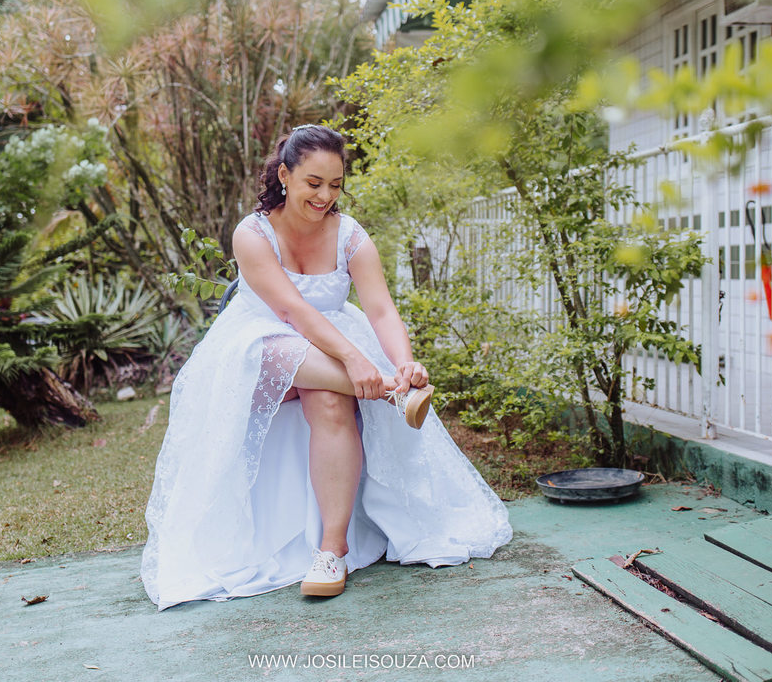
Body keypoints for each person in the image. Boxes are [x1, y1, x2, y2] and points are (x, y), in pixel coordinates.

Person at [141, 124, 512, 609]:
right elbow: (293, 312)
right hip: (260, 356)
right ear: (284, 175)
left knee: (331, 401)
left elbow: (380, 309)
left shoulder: (352, 236)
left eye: (335, 184)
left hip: (328, 358)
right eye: (313, 183)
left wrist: (405, 362)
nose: (324, 195)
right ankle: (390, 394)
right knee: (280, 350)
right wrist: (358, 362)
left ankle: (331, 550)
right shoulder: (251, 234)